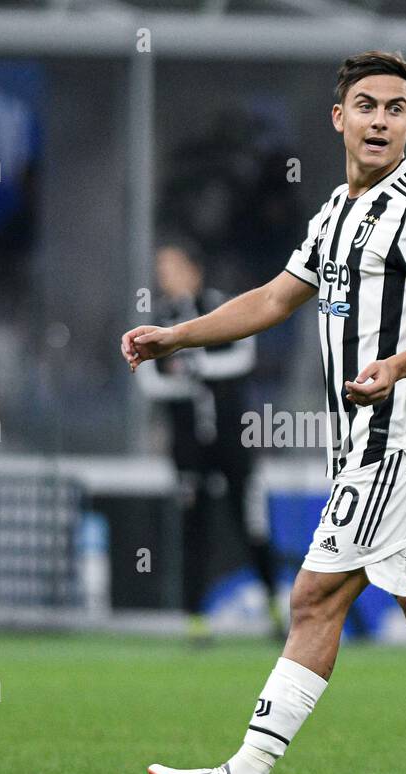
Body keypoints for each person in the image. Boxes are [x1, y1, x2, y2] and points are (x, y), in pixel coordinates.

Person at [122, 51, 406, 774]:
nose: (379, 119)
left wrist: (397, 364)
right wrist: (176, 337)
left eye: (395, 107)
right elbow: (278, 297)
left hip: (399, 436)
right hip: (369, 441)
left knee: (316, 596)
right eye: (366, 105)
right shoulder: (336, 212)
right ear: (338, 118)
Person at [135, 236, 284, 643]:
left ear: (192, 268)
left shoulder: (224, 307)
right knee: (193, 527)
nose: (164, 276)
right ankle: (196, 620)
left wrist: (200, 364)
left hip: (233, 439)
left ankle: (276, 608)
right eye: (161, 268)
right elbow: (150, 380)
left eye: (171, 266)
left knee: (251, 526)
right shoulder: (159, 318)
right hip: (188, 444)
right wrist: (184, 381)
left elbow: (244, 355)